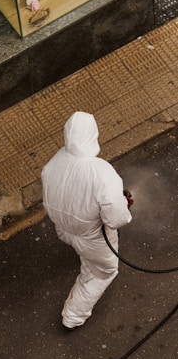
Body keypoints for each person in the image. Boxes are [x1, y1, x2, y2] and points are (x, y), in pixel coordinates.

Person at [41, 111, 132, 330]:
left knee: (87, 255)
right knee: (103, 271)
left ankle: (86, 259)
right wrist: (123, 206)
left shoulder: (54, 162)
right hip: (91, 237)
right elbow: (116, 219)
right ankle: (73, 315)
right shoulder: (102, 173)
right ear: (94, 135)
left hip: (64, 230)